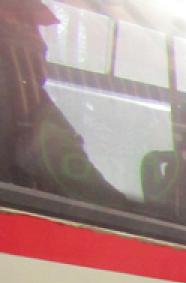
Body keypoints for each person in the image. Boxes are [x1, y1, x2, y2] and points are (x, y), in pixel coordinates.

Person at [0, 1, 125, 206]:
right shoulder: (22, 103)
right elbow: (68, 168)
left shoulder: (33, 104)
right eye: (24, 24)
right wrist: (125, 209)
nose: (39, 41)